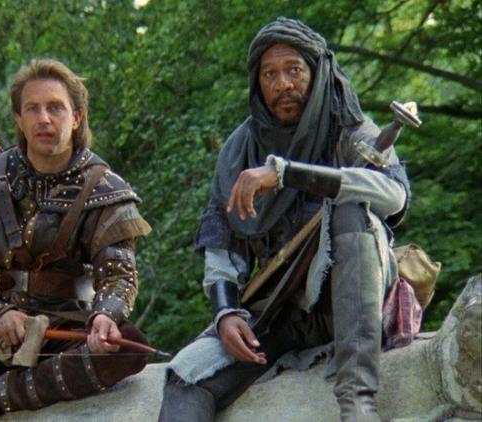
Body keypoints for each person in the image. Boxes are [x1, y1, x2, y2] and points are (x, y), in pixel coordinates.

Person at [158, 17, 410, 422]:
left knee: (351, 208)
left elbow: (394, 197)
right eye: (270, 74)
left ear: (316, 72)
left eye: (294, 70)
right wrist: (226, 314)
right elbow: (223, 244)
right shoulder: (240, 150)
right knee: (186, 377)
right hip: (280, 311)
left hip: (350, 303)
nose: (283, 84)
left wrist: (287, 174)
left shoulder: (352, 130)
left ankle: (358, 402)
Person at [0, 58, 152, 421]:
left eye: (55, 107)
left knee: (128, 347)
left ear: (77, 117)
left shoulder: (106, 190)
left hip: (65, 331)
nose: (44, 119)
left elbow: (118, 275)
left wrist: (105, 316)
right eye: (32, 109)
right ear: (19, 120)